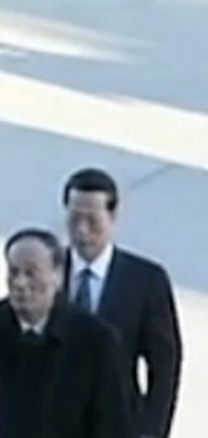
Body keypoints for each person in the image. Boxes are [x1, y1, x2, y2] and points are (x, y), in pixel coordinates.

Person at [0, 229, 130, 438]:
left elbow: (111, 424)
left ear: (57, 275)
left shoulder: (95, 340)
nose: (20, 283)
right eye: (14, 272)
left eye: (31, 273)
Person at [62, 168, 182, 438]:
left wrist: (152, 432)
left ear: (113, 216)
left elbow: (164, 367)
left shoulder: (145, 281)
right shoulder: (49, 271)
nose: (82, 231)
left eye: (92, 220)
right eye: (74, 219)